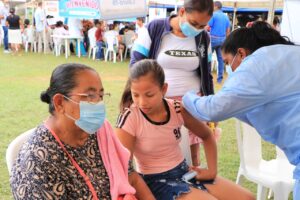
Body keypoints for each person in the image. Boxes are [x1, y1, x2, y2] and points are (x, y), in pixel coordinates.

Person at [182, 21, 300, 200]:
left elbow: (215, 109)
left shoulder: (256, 65)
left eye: (228, 62)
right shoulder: (289, 54)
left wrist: (186, 96)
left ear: (241, 53)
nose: (229, 70)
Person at [10, 63, 155, 200]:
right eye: (90, 96)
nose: (98, 104)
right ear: (60, 103)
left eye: (101, 96)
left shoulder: (99, 132)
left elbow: (131, 177)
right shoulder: (37, 162)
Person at [116, 59, 254, 200]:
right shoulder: (130, 117)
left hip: (185, 172)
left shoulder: (176, 108)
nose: (142, 102)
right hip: (154, 182)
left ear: (164, 89)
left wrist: (211, 171)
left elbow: (206, 135)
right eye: (136, 95)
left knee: (248, 198)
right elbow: (125, 169)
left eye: (149, 95)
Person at [130, 0, 215, 167]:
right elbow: (136, 65)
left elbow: (207, 73)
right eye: (194, 23)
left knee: (193, 157)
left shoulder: (203, 37)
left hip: (192, 104)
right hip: (158, 104)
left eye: (202, 26)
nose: (197, 29)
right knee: (155, 154)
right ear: (182, 12)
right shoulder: (154, 28)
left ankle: (193, 188)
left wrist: (210, 103)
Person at [206, 1, 230, 83]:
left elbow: (207, 27)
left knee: (208, 58)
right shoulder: (225, 16)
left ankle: (207, 77)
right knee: (221, 59)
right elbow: (228, 30)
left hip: (213, 39)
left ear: (215, 6)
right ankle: (220, 79)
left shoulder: (213, 15)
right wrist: (227, 41)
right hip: (223, 40)